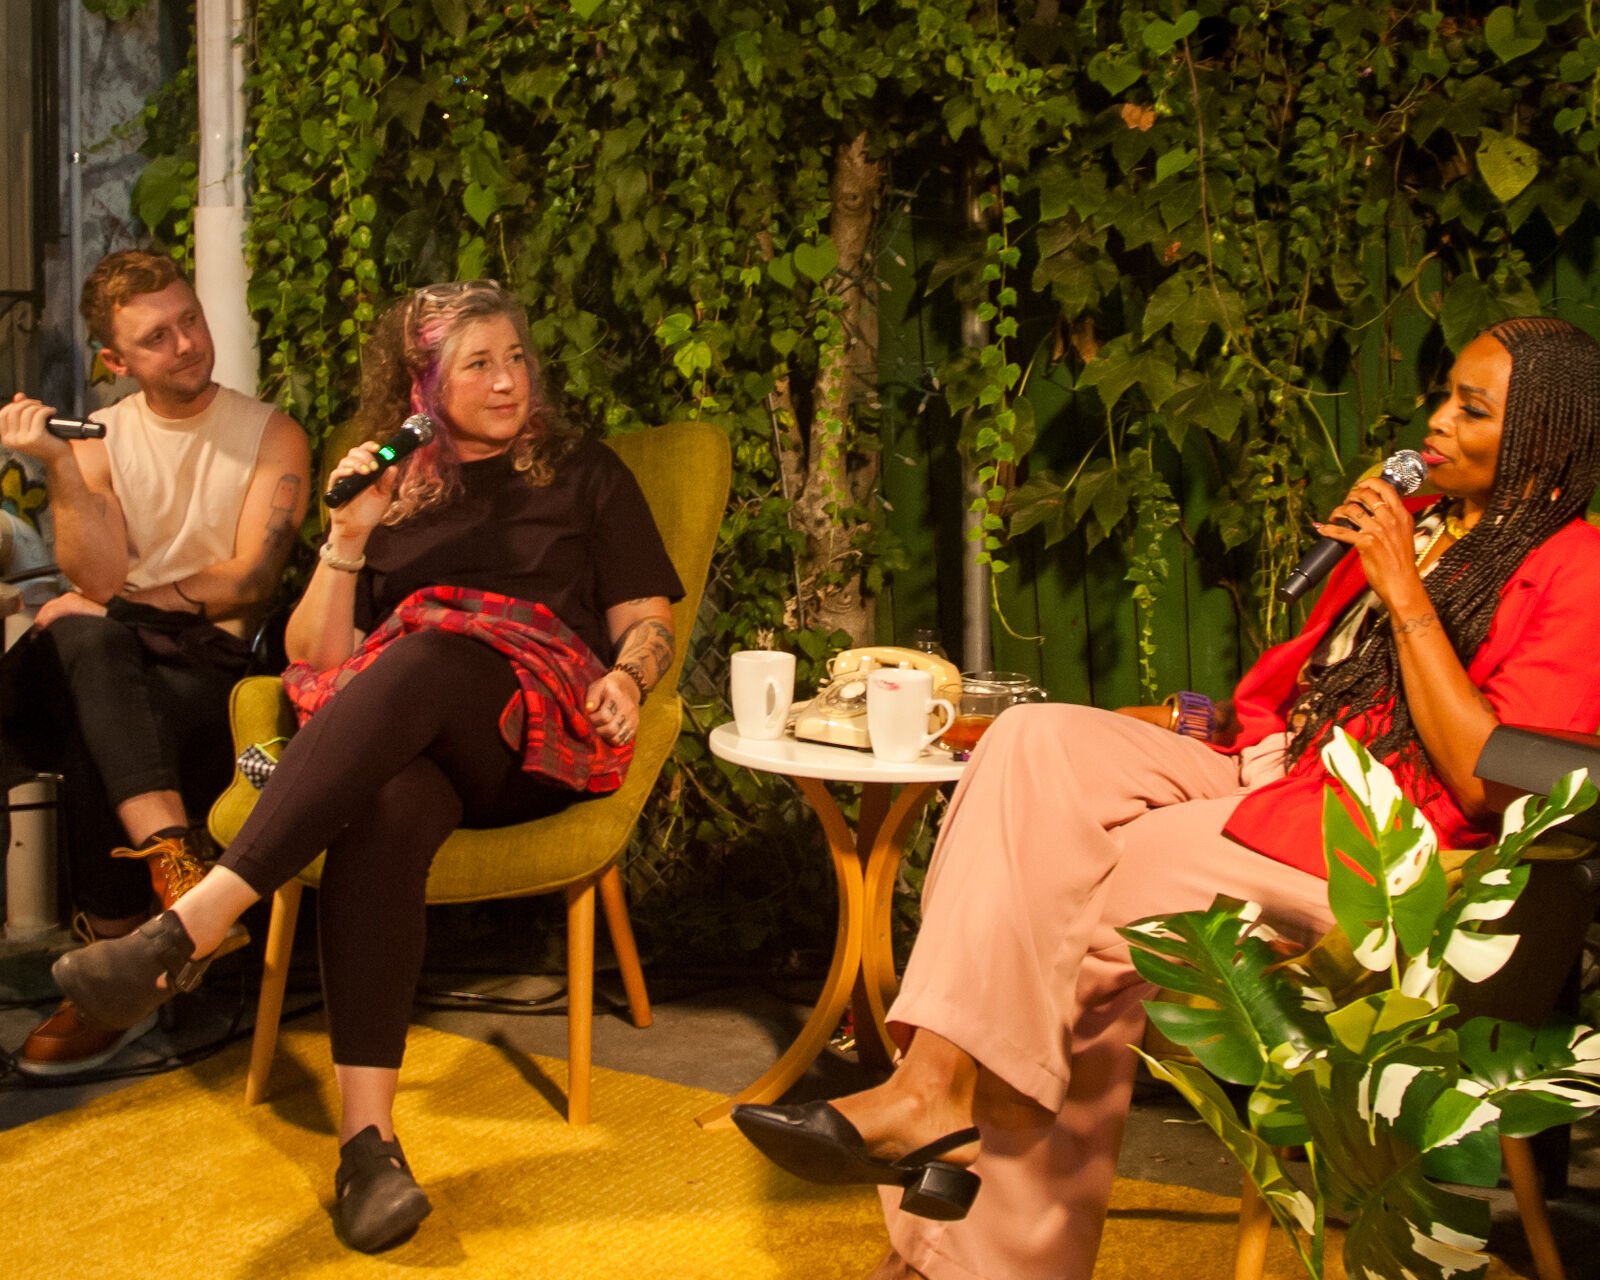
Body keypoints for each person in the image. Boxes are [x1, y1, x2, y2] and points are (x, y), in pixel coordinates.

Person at [731, 316, 1600, 1279]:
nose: (1434, 420)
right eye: (1443, 394)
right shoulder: (1432, 530)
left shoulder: (1575, 572)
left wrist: (1401, 590)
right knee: (1028, 743)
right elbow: (1291, 703)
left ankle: (965, 1239)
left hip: (1392, 852)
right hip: (1275, 775)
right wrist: (1179, 718)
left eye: (1470, 410)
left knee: (1089, 903)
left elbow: (1489, 772)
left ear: (1544, 444)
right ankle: (931, 1088)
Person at [50, 279, 684, 1253]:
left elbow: (646, 618)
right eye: (479, 362)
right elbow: (315, 656)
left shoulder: (583, 471)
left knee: (432, 649)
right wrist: (347, 538)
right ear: (424, 381)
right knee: (385, 797)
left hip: (534, 726)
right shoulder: (391, 490)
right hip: (404, 731)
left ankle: (198, 918)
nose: (509, 378)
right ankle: (369, 1147)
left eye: (516, 356)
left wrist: (633, 680)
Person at [0, 250, 311, 1075]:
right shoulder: (101, 440)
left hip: (208, 672)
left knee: (90, 659)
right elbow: (95, 579)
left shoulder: (270, 434)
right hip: (113, 661)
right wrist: (61, 467)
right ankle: (173, 878)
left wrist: (124, 606)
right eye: (156, 337)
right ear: (116, 361)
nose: (186, 344)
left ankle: (113, 973)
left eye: (190, 320)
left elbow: (247, 577)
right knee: (90, 647)